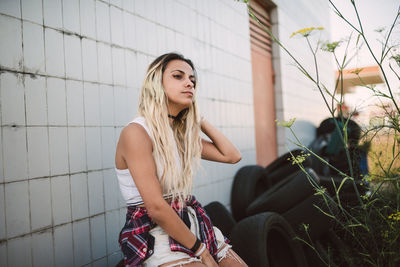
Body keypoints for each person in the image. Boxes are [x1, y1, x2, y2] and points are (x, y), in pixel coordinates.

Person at [115, 53, 248, 267]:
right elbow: (156, 208)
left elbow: (232, 156)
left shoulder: (179, 135)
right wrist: (202, 252)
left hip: (190, 221)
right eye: (178, 76)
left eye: (192, 80)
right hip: (152, 231)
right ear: (156, 84)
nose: (189, 83)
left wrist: (198, 118)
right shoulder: (137, 132)